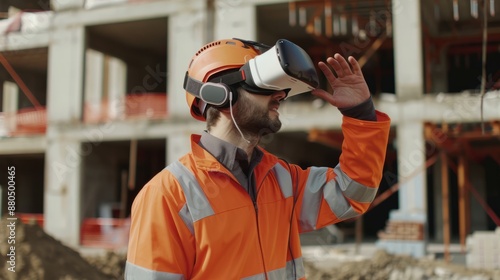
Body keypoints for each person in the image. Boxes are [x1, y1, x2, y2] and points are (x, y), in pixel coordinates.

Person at [125, 38, 391, 280]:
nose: (280, 96)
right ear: (218, 94)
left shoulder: (282, 178)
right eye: (267, 85)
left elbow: (353, 193)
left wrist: (361, 114)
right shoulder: (168, 196)